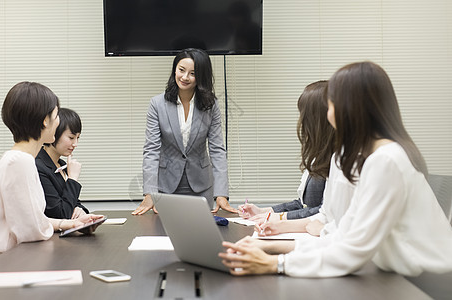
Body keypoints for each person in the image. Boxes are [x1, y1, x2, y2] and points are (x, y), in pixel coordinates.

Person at [219, 61, 452, 277]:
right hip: (396, 275)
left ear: (350, 108)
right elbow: (342, 236)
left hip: (424, 283)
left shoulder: (386, 160)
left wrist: (276, 263)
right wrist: (270, 247)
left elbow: (352, 250)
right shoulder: (362, 157)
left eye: (330, 102)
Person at [0, 82, 103, 258]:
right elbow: (31, 232)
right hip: (3, 263)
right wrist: (68, 225)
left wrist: (70, 224)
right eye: (56, 116)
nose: (58, 123)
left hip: (14, 257)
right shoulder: (20, 162)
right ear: (45, 121)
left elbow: (34, 221)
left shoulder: (20, 158)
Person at [132, 48, 237, 215]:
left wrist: (221, 194)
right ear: (175, 69)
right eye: (181, 70)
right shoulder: (157, 104)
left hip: (201, 186)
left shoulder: (211, 105)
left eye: (193, 73)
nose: (185, 77)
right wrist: (149, 192)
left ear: (201, 76)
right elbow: (151, 151)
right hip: (165, 187)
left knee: (201, 236)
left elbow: (217, 150)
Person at [239, 81, 335, 222]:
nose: (301, 121)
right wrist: (264, 211)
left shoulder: (337, 157)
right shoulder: (320, 153)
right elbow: (302, 203)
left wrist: (278, 217)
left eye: (304, 114)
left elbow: (322, 210)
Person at [36, 107, 89, 219]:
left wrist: (80, 210)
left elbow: (74, 202)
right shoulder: (38, 166)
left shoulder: (61, 164)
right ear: (54, 133)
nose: (75, 144)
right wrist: (73, 179)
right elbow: (61, 213)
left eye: (77, 138)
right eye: (71, 137)